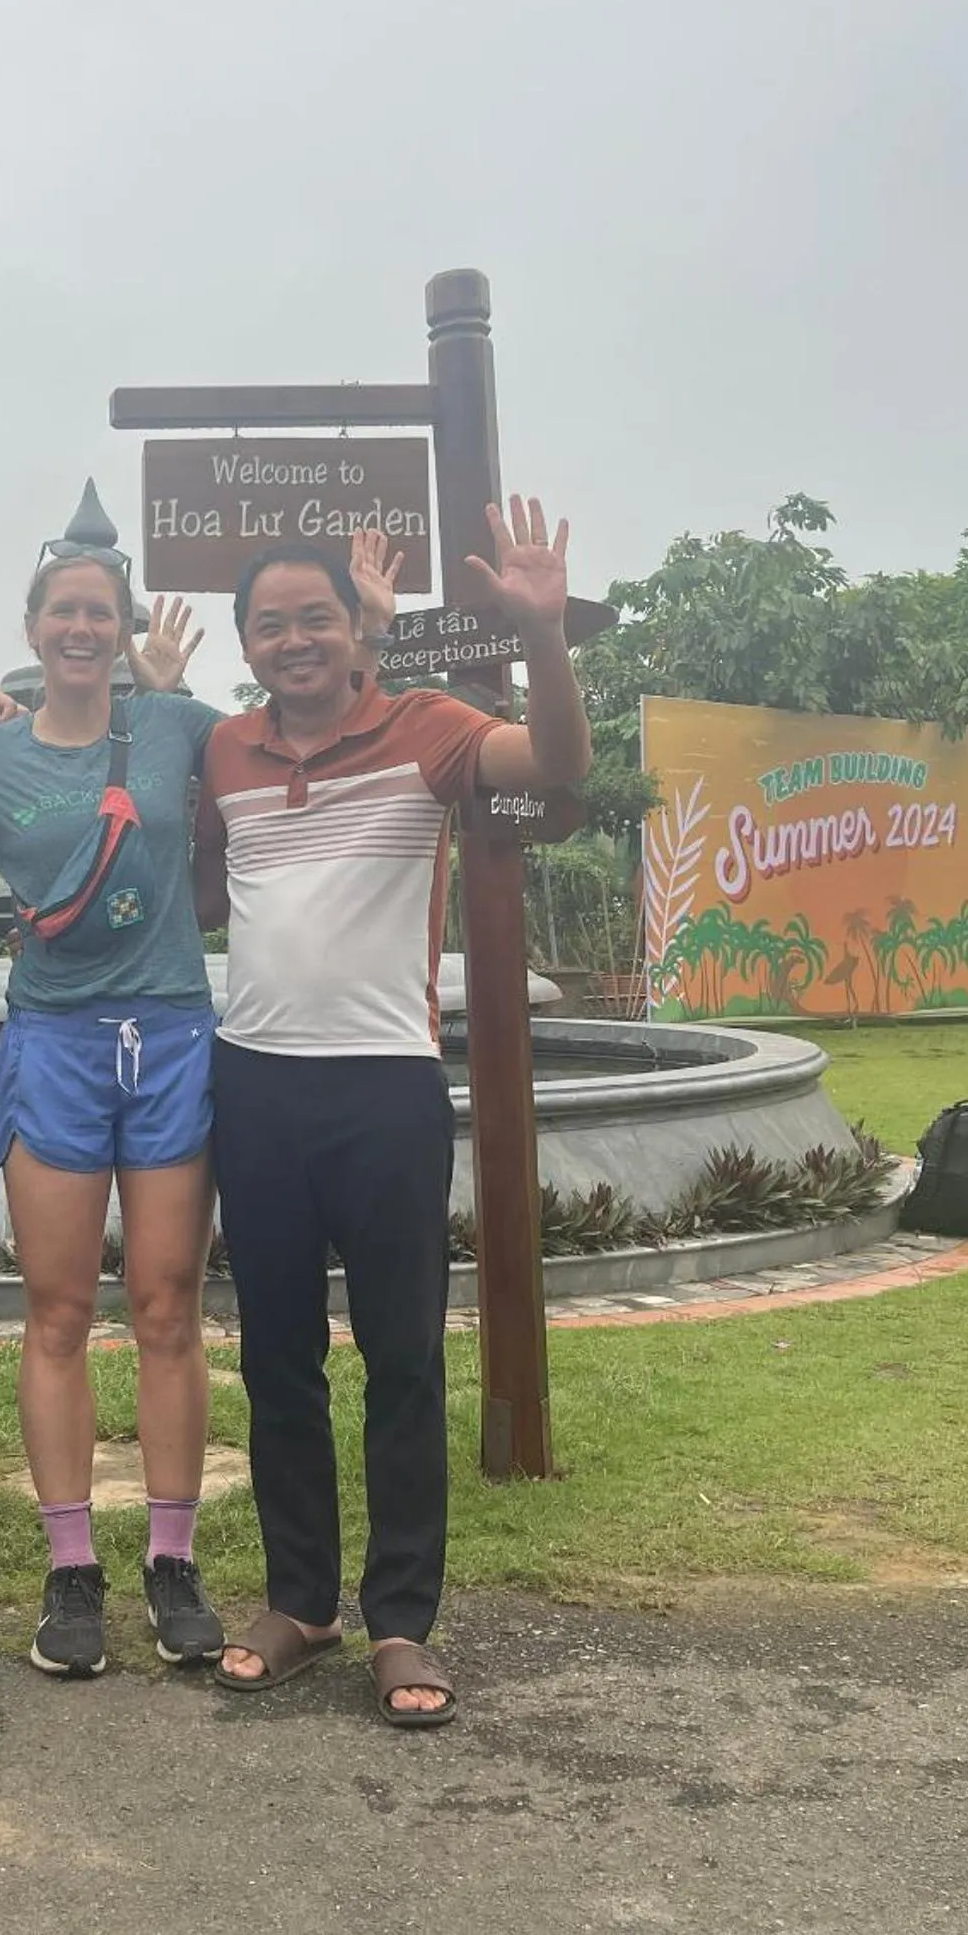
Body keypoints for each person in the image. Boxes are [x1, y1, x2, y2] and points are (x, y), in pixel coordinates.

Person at [196, 499, 591, 1721]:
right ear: (247, 642)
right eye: (272, 625)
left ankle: (402, 1619)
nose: (294, 640)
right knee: (276, 1359)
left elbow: (561, 767)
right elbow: (212, 897)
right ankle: (303, 1596)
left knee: (405, 1360)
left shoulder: (429, 730)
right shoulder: (224, 751)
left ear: (351, 630)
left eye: (315, 616)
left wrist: (542, 635)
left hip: (384, 1086)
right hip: (253, 1084)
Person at [0, 541, 227, 1678]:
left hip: (169, 1031)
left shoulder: (177, 725)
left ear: (121, 629)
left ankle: (174, 1560)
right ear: (32, 627)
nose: (81, 628)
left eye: (99, 612)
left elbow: (268, 785)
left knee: (168, 1305)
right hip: (55, 1040)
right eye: (62, 611)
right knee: (58, 1310)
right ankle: (71, 1571)